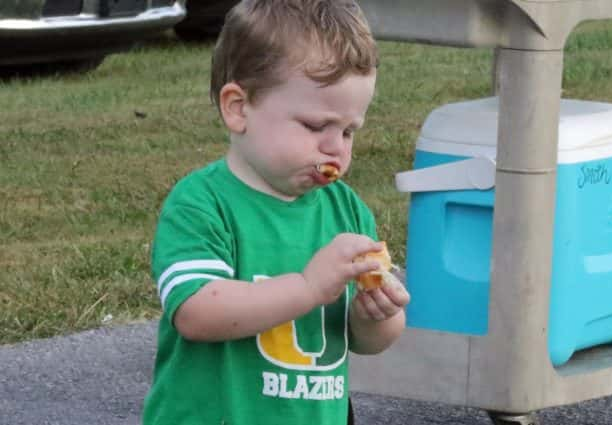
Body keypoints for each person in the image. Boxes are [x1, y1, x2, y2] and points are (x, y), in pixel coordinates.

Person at [141, 1, 410, 424]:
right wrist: (309, 286)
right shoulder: (203, 204)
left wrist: (378, 315)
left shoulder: (347, 212)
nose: (335, 147)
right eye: (314, 126)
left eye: (348, 131)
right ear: (239, 108)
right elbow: (195, 312)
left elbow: (365, 342)